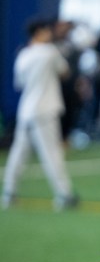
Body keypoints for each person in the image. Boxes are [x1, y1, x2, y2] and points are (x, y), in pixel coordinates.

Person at [2, 19, 80, 211]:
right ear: (39, 32)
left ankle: (9, 192)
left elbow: (19, 84)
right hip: (45, 110)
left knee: (18, 154)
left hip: (26, 110)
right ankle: (64, 194)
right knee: (52, 153)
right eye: (46, 30)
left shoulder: (23, 55)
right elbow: (65, 72)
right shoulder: (50, 52)